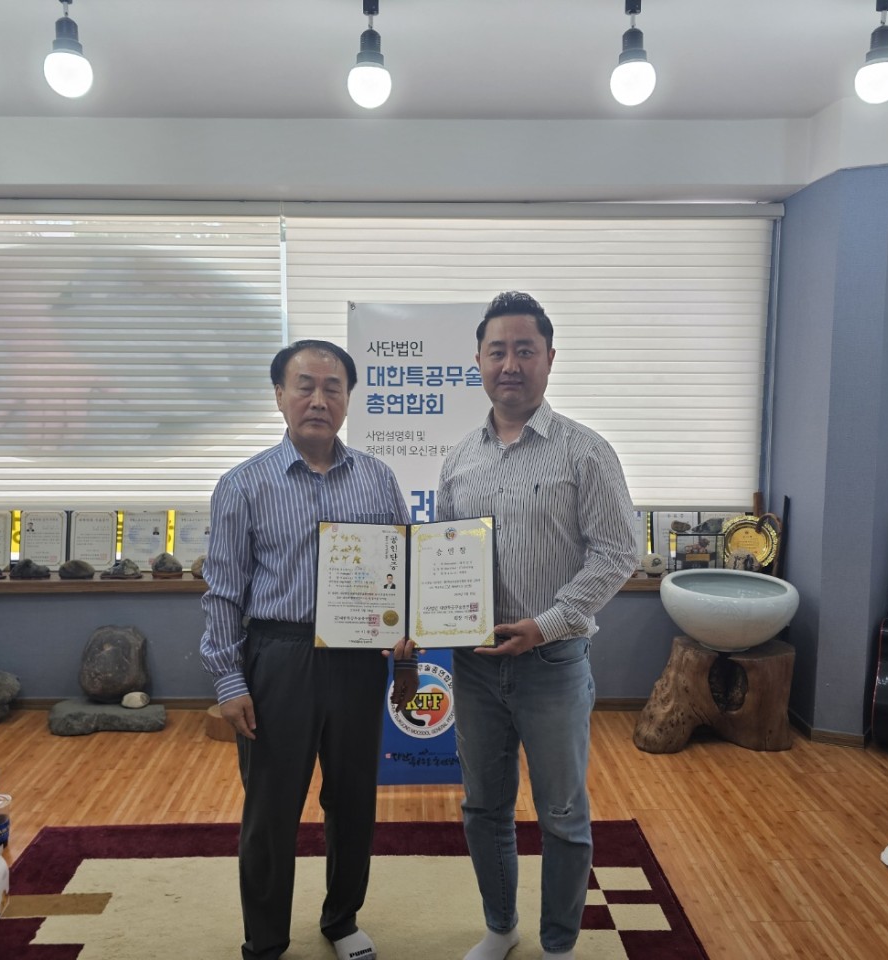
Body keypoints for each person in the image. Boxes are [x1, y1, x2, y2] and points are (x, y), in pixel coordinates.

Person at [200, 338, 418, 960]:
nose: (319, 400)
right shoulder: (243, 484)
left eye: (333, 387)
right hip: (279, 656)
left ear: (348, 399)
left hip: (357, 658)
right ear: (280, 396)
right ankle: (265, 940)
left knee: (352, 800)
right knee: (271, 811)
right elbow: (223, 592)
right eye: (305, 386)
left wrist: (406, 656)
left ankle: (342, 920)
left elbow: (403, 576)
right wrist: (229, 681)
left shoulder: (377, 479)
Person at [438, 292, 640, 960]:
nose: (511, 364)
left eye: (525, 350)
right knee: (484, 807)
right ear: (477, 361)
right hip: (474, 667)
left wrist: (546, 625)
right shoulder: (458, 460)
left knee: (562, 814)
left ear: (549, 358)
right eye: (497, 351)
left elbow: (617, 552)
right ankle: (501, 928)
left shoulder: (585, 452)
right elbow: (442, 557)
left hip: (553, 665)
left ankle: (558, 944)